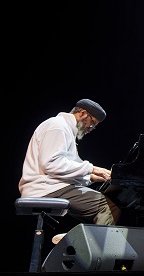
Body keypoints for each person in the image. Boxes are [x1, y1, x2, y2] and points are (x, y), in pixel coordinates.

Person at [19, 99, 121, 243]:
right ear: (83, 113)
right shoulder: (58, 126)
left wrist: (91, 177)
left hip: (51, 185)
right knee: (108, 207)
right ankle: (91, 248)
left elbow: (68, 167)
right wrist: (92, 169)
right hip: (44, 187)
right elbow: (51, 164)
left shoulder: (64, 129)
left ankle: (79, 239)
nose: (91, 128)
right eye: (92, 123)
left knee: (98, 210)